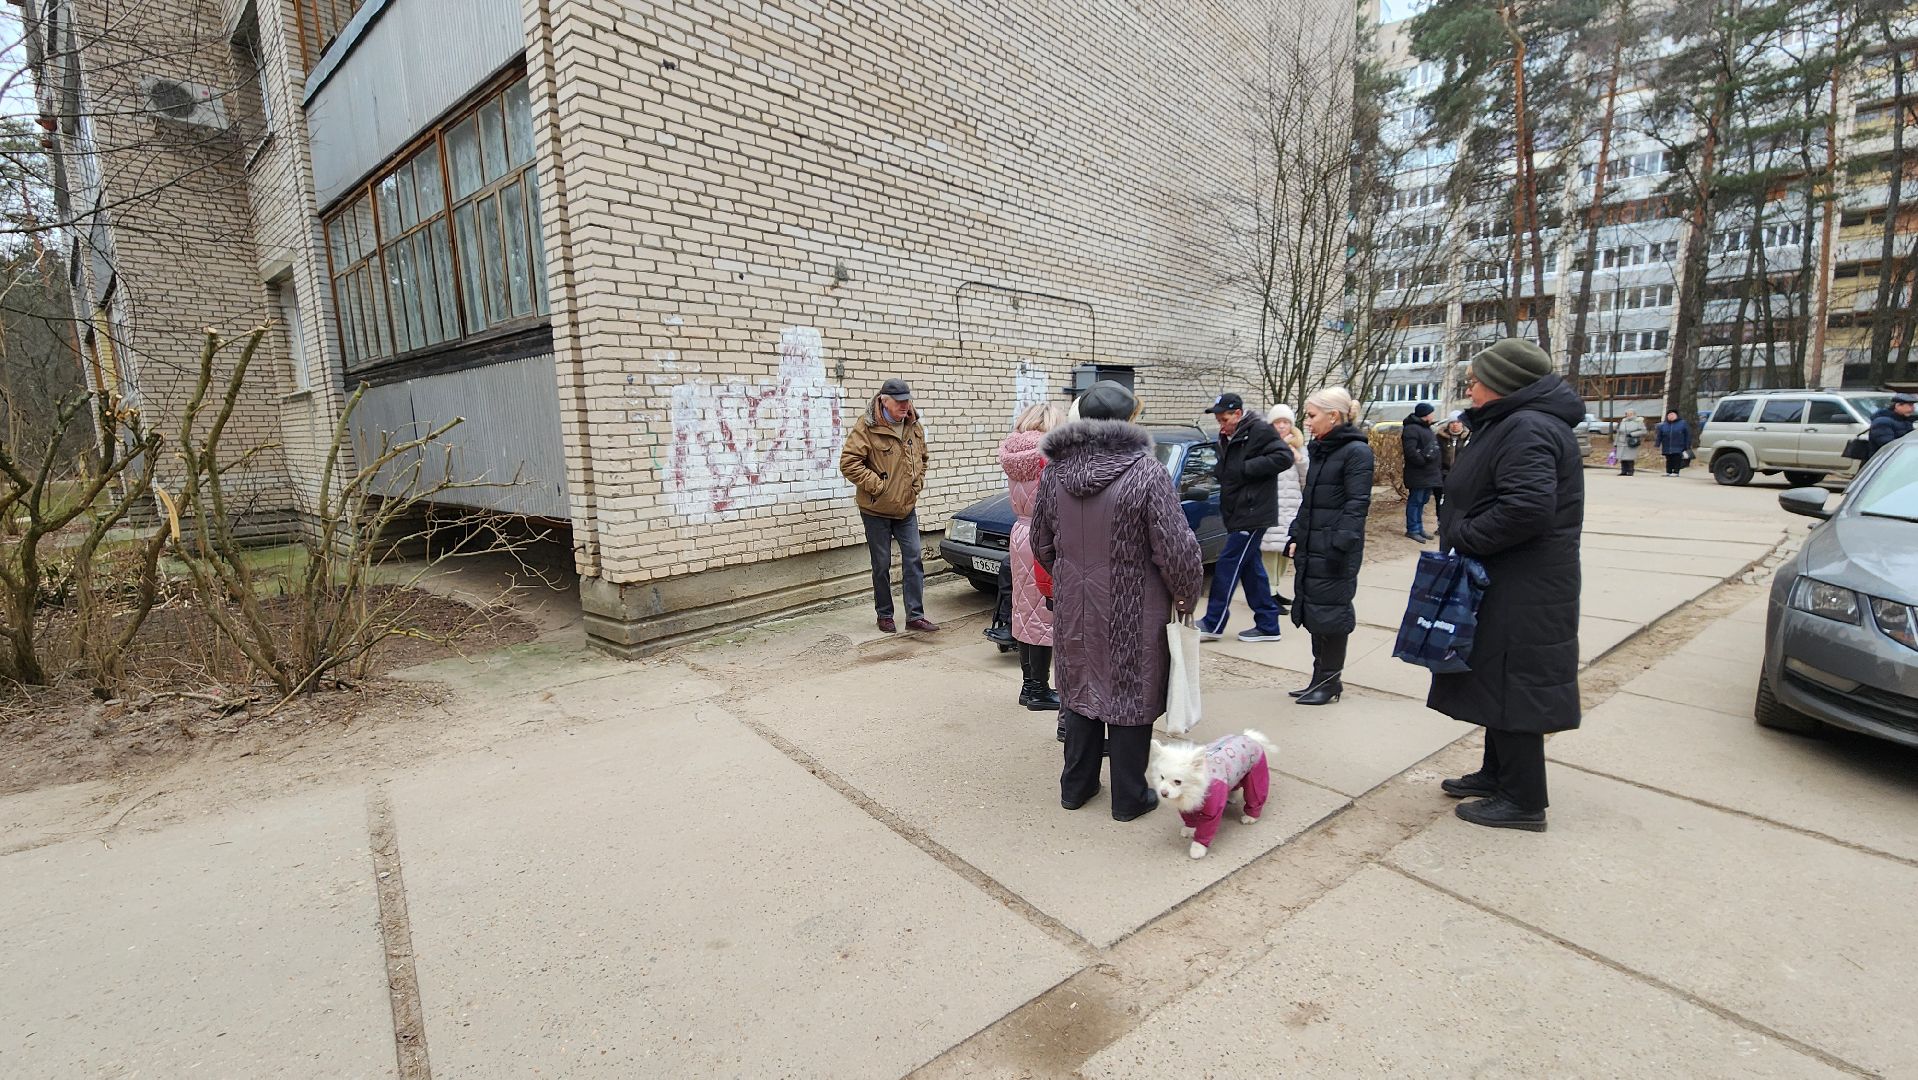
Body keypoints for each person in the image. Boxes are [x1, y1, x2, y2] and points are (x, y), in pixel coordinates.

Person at [1431, 338, 1584, 832]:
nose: (1470, 387)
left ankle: (1523, 800)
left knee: (1515, 683)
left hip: (1523, 584)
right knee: (1495, 680)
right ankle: (1498, 773)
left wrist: (1464, 536)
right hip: (1508, 579)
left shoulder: (1528, 426)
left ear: (1503, 383)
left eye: (1476, 379)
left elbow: (1527, 508)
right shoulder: (1511, 422)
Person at [1033, 381, 1203, 821]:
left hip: (1075, 605)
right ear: (1126, 422)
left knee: (1081, 688)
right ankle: (1129, 799)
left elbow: (1041, 542)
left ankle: (1076, 787)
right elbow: (1177, 549)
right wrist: (1185, 594)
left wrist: (1071, 578)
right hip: (1134, 605)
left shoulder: (1053, 473)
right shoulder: (1146, 473)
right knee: (1130, 693)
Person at [1284, 386, 1373, 707]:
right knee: (1316, 613)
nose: (1306, 422)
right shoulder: (1323, 449)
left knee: (1332, 616)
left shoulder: (1356, 452)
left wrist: (1340, 546)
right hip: (1314, 544)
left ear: (1333, 416)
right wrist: (1296, 534)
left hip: (1335, 550)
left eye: (1311, 415)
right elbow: (1310, 501)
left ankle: (1329, 681)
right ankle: (1318, 678)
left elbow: (1357, 504)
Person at [838, 378, 936, 633]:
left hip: (906, 508)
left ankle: (915, 615)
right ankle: (884, 614)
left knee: (913, 558)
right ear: (884, 400)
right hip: (875, 510)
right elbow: (849, 462)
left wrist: (916, 485)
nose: (905, 406)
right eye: (899, 401)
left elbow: (923, 458)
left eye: (907, 400)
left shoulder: (913, 425)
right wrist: (878, 486)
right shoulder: (866, 427)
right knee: (881, 565)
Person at [1196, 393, 1292, 644]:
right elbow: (1227, 468)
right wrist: (1222, 472)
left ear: (1238, 414)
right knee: (1251, 570)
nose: (1221, 424)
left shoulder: (1259, 430)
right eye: (1218, 419)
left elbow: (1284, 457)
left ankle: (1213, 622)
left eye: (1224, 418)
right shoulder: (1228, 435)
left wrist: (1246, 469)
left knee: (1227, 565)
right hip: (1237, 511)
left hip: (1253, 513)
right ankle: (1268, 625)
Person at [999, 403, 1067, 722]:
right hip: (1042, 537)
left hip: (1020, 532)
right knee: (1041, 615)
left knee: (1025, 612)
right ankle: (1039, 689)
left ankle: (1029, 686)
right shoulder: (1048, 457)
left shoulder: (1014, 453)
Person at [1261, 404, 1309, 614]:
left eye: (1286, 422)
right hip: (1272, 506)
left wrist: (1299, 458)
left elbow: (1307, 478)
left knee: (1283, 551)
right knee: (1269, 553)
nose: (1282, 426)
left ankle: (1275, 589)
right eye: (1278, 422)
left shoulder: (1299, 447)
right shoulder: (1265, 445)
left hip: (1291, 507)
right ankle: (1267, 594)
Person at [1400, 402, 1441, 543]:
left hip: (1429, 474)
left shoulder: (1427, 429)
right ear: (1425, 415)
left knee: (1422, 501)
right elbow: (1410, 451)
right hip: (1418, 473)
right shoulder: (1411, 429)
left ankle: (1419, 528)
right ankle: (1413, 529)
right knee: (1415, 501)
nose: (1433, 416)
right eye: (1431, 413)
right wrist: (1423, 462)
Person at [1436, 415, 1469, 514]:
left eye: (1458, 422)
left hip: (1462, 475)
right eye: (1452, 422)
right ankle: (1441, 523)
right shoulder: (1439, 438)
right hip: (1444, 474)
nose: (1455, 425)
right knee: (1442, 501)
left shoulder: (1468, 438)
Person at [1655, 409, 1691, 477]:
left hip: (1679, 445)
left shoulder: (1682, 423)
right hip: (1667, 445)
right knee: (1669, 459)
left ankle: (1676, 471)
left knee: (1676, 459)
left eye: (1672, 415)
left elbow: (1687, 434)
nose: (1671, 416)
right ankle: (1668, 471)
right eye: (1669, 415)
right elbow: (1659, 435)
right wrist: (1657, 444)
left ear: (1676, 415)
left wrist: (1687, 445)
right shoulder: (1663, 425)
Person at [1615, 410, 1647, 476]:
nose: (1629, 415)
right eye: (1627, 414)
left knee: (1629, 457)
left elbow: (1643, 431)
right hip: (1622, 441)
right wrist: (1615, 442)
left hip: (1631, 442)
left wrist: (1632, 434)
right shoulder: (1623, 421)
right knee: (1622, 457)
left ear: (1634, 414)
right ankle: (1623, 471)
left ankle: (1630, 470)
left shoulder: (1638, 421)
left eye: (1630, 414)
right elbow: (1618, 432)